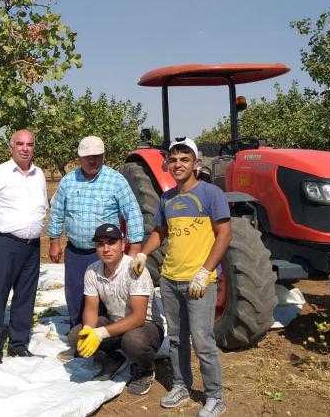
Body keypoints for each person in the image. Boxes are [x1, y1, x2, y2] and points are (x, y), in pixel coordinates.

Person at [131, 137, 231, 417]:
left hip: (199, 281)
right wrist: (142, 254)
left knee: (202, 340)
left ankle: (215, 396)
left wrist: (205, 271)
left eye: (184, 159)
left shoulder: (211, 194)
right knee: (176, 338)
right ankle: (181, 385)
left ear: (196, 164)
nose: (178, 164)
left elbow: (224, 235)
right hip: (170, 279)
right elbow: (160, 232)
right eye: (173, 160)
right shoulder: (167, 198)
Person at [48, 135, 145, 328]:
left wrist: (135, 249)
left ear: (103, 156)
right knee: (76, 294)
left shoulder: (116, 180)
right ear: (79, 157)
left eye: (97, 156)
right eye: (87, 157)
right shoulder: (68, 181)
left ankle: (104, 341)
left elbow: (133, 213)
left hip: (104, 252)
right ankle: (79, 336)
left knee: (104, 297)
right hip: (76, 251)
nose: (92, 160)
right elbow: (57, 211)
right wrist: (54, 241)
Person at [0, 129, 48, 368]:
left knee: (25, 296)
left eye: (30, 144)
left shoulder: (39, 175)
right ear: (11, 147)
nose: (25, 148)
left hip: (32, 246)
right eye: (20, 144)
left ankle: (18, 344)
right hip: (6, 244)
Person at [63, 223, 163, 395]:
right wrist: (88, 329)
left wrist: (100, 333)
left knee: (133, 342)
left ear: (122, 245)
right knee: (75, 337)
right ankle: (112, 358)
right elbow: (91, 309)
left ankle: (145, 369)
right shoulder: (92, 271)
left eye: (111, 243)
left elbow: (138, 317)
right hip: (116, 322)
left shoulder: (134, 269)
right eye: (101, 244)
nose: (106, 248)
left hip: (145, 326)